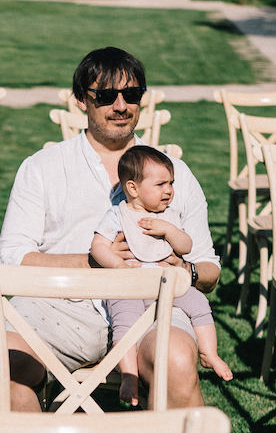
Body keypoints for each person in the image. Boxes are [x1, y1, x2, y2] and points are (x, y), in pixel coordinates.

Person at [0, 46, 224, 433]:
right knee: (2, 357)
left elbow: (210, 267)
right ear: (81, 101)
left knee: (179, 357)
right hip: (60, 303)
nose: (120, 105)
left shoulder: (173, 173)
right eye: (106, 95)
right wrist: (91, 260)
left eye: (131, 94)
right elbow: (12, 257)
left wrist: (185, 272)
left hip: (148, 303)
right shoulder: (43, 167)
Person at [90, 144, 232, 406]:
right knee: (125, 323)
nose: (169, 190)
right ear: (133, 188)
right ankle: (129, 374)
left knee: (199, 303)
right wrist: (117, 265)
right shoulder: (118, 215)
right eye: (161, 184)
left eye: (172, 183)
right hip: (130, 287)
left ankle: (209, 352)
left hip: (166, 287)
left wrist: (168, 230)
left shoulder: (169, 216)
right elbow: (98, 246)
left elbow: (186, 247)